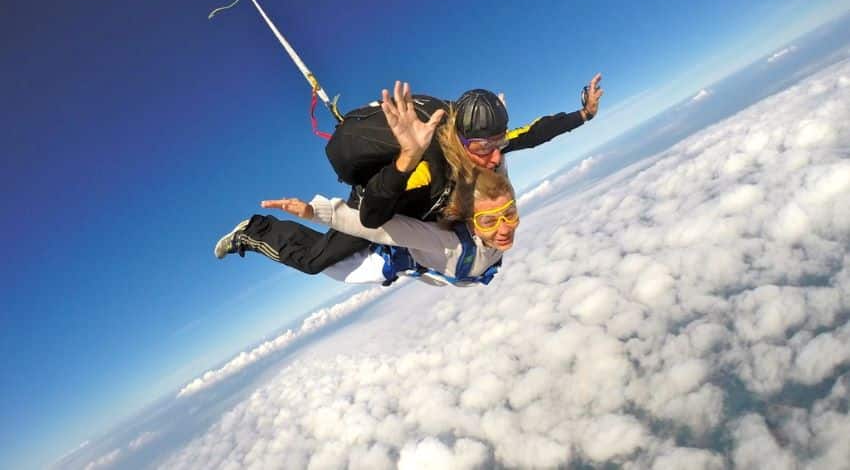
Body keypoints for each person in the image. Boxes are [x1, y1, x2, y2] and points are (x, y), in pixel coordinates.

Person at [216, 76, 603, 274]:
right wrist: (407, 158)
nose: (495, 154)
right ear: (462, 140)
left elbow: (532, 134)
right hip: (384, 192)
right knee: (318, 260)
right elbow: (371, 217)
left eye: (498, 142)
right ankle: (255, 231)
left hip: (420, 190)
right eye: (483, 146)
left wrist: (583, 115)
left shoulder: (483, 147)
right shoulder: (425, 169)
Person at [243, 166, 520, 286]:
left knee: (318, 253)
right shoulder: (449, 243)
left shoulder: (496, 203)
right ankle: (252, 231)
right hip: (377, 259)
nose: (505, 228)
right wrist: (315, 212)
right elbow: (379, 230)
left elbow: (500, 172)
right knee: (312, 262)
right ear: (470, 221)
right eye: (489, 221)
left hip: (400, 237)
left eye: (510, 214)